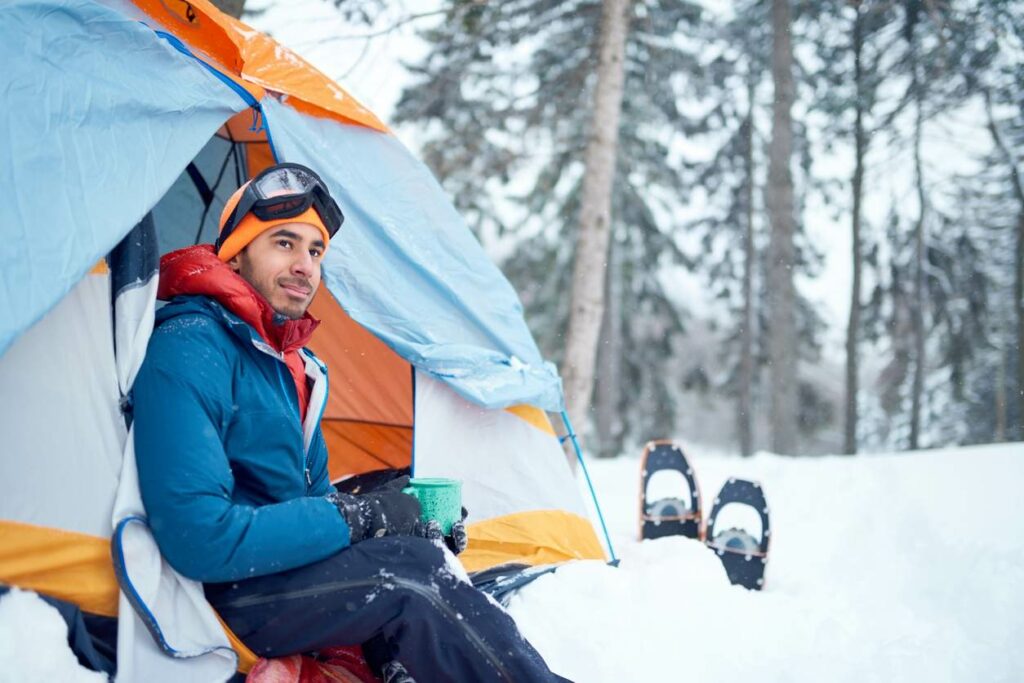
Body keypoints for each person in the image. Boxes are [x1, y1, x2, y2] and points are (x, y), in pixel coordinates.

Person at [132, 162, 567, 682]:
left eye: (315, 251)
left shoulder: (291, 365)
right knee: (408, 580)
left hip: (277, 571)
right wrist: (360, 520)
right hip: (224, 591)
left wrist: (392, 513)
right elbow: (197, 537)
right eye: (284, 244)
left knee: (408, 532)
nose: (304, 266)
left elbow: (315, 503)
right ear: (237, 251)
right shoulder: (190, 346)